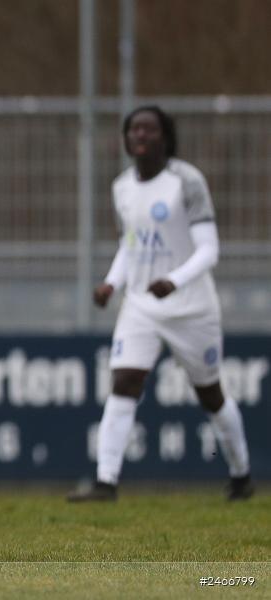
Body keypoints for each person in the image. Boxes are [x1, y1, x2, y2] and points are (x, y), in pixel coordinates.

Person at [68, 105, 253, 502]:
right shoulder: (121, 187)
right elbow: (131, 245)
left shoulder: (186, 181)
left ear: (165, 137)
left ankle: (241, 475)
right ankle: (105, 482)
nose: (140, 135)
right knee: (123, 381)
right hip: (142, 304)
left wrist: (174, 281)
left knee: (210, 394)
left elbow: (209, 250)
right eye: (134, 129)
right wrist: (112, 283)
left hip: (192, 307)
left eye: (149, 129)